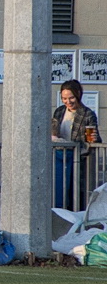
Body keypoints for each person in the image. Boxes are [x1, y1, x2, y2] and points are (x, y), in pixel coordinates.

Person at [52, 79, 101, 209]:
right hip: (59, 157)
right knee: (59, 193)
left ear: (78, 94)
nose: (68, 102)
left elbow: (95, 139)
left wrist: (94, 138)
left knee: (76, 193)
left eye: (71, 98)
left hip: (77, 159)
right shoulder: (59, 111)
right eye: (64, 98)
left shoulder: (88, 114)